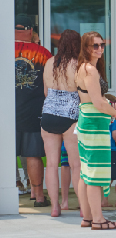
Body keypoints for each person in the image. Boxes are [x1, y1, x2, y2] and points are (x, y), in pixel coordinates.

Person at [75, 31, 116, 230]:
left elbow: (94, 99)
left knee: (85, 173)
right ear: (86, 47)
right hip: (94, 124)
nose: (100, 49)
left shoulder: (83, 68)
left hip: (87, 122)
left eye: (102, 45)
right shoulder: (90, 70)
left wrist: (109, 107)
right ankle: (98, 220)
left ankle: (87, 218)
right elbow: (97, 102)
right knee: (95, 174)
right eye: (95, 45)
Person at [41, 29, 81, 217]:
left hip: (48, 115)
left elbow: (46, 93)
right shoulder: (78, 65)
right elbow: (83, 94)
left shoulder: (49, 63)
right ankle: (84, 206)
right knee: (76, 164)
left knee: (51, 164)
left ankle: (55, 207)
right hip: (70, 118)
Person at [15, 15, 52, 207]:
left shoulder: (3, 50)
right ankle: (37, 196)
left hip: (6, 112)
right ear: (30, 31)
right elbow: (51, 84)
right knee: (33, 154)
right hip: (33, 111)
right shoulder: (43, 53)